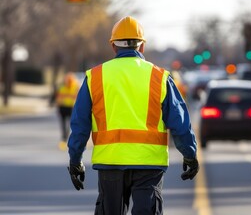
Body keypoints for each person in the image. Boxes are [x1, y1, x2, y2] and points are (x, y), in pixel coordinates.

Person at [67, 16, 199, 215]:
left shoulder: (95, 77)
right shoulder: (160, 77)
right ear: (142, 46)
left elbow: (80, 124)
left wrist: (75, 160)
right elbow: (179, 122)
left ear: (113, 46)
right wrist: (189, 155)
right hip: (149, 164)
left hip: (110, 163)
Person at [56, 72, 79, 150]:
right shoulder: (63, 87)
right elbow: (58, 96)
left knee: (68, 124)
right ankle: (64, 138)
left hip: (70, 107)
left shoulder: (74, 87)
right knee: (65, 124)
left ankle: (65, 138)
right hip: (64, 107)